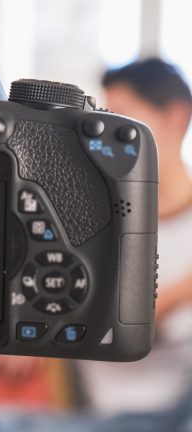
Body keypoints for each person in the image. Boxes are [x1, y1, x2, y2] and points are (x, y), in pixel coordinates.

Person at [75, 58, 192, 417]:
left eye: (123, 118)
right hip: (113, 414)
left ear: (175, 117)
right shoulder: (91, 215)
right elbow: (109, 320)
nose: (105, 137)